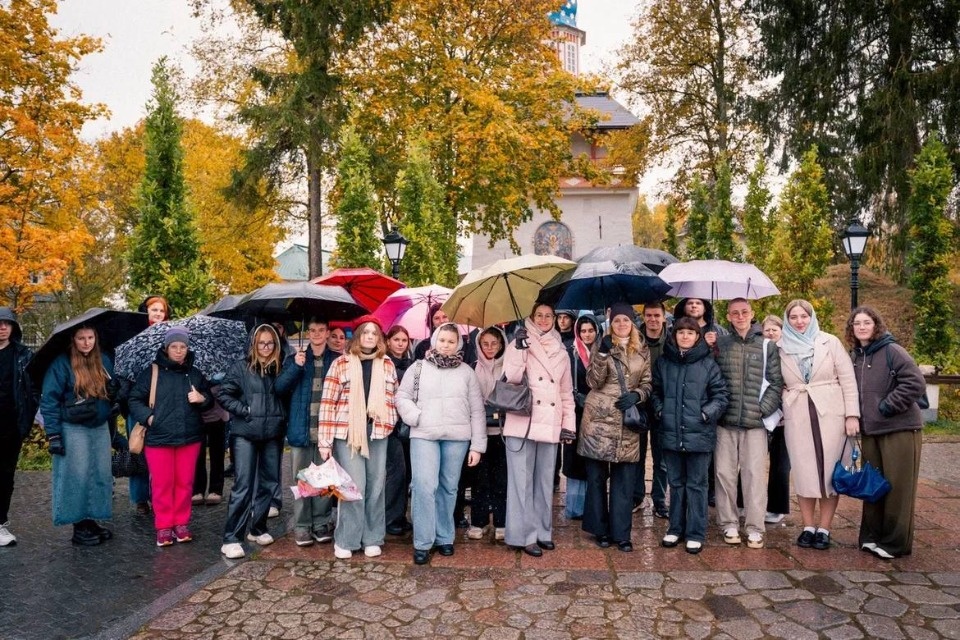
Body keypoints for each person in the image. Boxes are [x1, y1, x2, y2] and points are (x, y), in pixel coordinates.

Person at [396, 323, 486, 565]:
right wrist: (415, 416)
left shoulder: (467, 372)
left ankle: (444, 536)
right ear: (434, 340)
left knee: (449, 488)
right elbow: (402, 397)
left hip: (457, 438)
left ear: (457, 344)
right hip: (424, 434)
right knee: (424, 486)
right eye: (442, 340)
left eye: (451, 341)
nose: (446, 345)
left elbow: (477, 410)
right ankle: (423, 541)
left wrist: (477, 445)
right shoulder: (418, 367)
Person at [217, 324, 303, 559]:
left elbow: (286, 392)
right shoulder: (241, 367)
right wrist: (244, 410)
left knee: (269, 483)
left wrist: (296, 367)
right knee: (243, 485)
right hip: (245, 433)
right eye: (261, 343)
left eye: (270, 343)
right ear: (254, 344)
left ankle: (258, 527)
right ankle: (232, 537)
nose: (266, 348)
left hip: (272, 433)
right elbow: (224, 394)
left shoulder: (280, 368)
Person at [780, 299, 860, 550]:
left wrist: (852, 415)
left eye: (804, 316)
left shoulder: (829, 342)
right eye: (794, 317)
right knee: (804, 473)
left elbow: (848, 380)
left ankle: (824, 528)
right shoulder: (779, 346)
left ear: (811, 317)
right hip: (798, 411)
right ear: (787, 320)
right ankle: (807, 526)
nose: (799, 321)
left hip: (830, 411)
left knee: (829, 472)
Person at [847, 306, 925, 559]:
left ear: (876, 325)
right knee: (874, 485)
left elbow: (915, 382)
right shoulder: (857, 356)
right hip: (871, 431)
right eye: (857, 323)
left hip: (899, 428)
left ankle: (895, 543)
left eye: (866, 322)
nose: (861, 327)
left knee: (898, 489)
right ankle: (872, 536)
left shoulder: (892, 350)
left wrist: (888, 405)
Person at [318, 317, 398, 560]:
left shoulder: (387, 364)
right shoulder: (341, 364)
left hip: (377, 432)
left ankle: (372, 538)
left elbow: (393, 396)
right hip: (348, 433)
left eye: (375, 333)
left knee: (375, 487)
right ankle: (347, 539)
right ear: (358, 336)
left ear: (379, 338)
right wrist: (325, 441)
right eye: (366, 333)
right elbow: (327, 402)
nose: (370, 337)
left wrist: (390, 421)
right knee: (353, 487)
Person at [501, 303, 576, 557]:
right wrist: (519, 349)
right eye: (539, 315)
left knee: (545, 483)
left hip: (550, 423)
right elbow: (510, 378)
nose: (544, 319)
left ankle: (544, 532)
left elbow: (566, 392)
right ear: (531, 318)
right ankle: (522, 535)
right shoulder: (517, 343)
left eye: (549, 315)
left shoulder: (562, 351)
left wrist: (568, 425)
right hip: (523, 421)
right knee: (521, 482)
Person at [128, 327, 213, 546]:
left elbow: (210, 401)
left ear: (187, 348)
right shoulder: (152, 372)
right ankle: (164, 526)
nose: (178, 351)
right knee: (163, 484)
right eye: (174, 347)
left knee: (184, 483)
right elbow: (134, 399)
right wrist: (149, 418)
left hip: (189, 437)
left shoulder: (194, 374)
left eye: (182, 347)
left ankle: (181, 523)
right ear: (166, 348)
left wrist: (201, 398)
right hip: (159, 438)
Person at [578, 303, 652, 553]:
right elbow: (592, 381)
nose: (622, 324)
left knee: (624, 479)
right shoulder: (602, 344)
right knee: (597, 477)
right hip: (599, 421)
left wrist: (638, 395)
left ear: (632, 323)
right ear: (611, 323)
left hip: (626, 420)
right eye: (617, 320)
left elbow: (648, 382)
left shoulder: (642, 349)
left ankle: (621, 533)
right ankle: (600, 530)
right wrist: (600, 355)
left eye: (626, 320)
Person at [652, 317, 729, 553]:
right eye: (681, 332)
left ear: (697, 337)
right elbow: (655, 391)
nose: (685, 336)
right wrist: (660, 410)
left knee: (697, 484)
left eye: (690, 333)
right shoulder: (664, 363)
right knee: (676, 483)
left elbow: (721, 395)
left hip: (699, 434)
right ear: (674, 336)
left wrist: (706, 414)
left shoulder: (708, 364)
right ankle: (675, 528)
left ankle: (695, 532)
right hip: (671, 432)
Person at [713, 298, 783, 550]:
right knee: (724, 475)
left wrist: (761, 410)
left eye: (744, 312)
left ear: (752, 314)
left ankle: (754, 527)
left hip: (755, 423)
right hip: (726, 421)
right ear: (729, 316)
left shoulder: (766, 346)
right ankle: (729, 523)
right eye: (735, 313)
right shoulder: (720, 344)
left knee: (754, 477)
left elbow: (776, 383)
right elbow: (711, 380)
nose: (740, 316)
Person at [39, 325, 116, 546]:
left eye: (90, 337)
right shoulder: (61, 363)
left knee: (99, 474)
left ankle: (91, 520)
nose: (86, 342)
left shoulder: (104, 361)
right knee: (77, 476)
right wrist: (53, 435)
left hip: (99, 425)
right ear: (73, 340)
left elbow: (111, 392)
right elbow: (49, 400)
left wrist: (115, 395)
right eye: (81, 338)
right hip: (73, 427)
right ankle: (79, 525)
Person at [284, 317, 340, 547]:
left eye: (321, 330)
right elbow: (280, 388)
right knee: (302, 478)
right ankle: (302, 525)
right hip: (301, 428)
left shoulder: (337, 360)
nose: (316, 334)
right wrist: (296, 368)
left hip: (326, 431)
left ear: (327, 333)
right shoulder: (295, 359)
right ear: (308, 333)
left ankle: (321, 522)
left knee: (324, 479)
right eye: (313, 330)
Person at [129, 295, 172, 515]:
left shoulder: (170, 336)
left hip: (163, 403)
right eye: (153, 310)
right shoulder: (134, 336)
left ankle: (159, 495)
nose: (157, 314)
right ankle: (140, 498)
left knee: (162, 455)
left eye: (161, 310)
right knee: (138, 450)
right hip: (138, 401)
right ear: (145, 311)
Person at [0, 308, 39, 546]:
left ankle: (0, 523)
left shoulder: (23, 355)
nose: (2, 327)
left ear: (13, 327)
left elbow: (33, 389)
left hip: (10, 425)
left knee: (5, 476)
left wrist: (27, 417)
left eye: (7, 323)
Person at [468, 326, 509, 540]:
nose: (490, 347)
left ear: (501, 344)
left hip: (503, 431)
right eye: (485, 344)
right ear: (479, 345)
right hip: (479, 431)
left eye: (494, 343)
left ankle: (502, 521)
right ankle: (479, 520)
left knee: (502, 478)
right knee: (479, 479)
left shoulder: (509, 367)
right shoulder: (473, 367)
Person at [635, 302, 670, 519]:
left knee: (662, 459)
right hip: (639, 405)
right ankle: (637, 496)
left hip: (663, 405)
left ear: (664, 317)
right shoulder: (635, 341)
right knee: (636, 455)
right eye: (649, 315)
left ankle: (659, 500)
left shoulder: (672, 342)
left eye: (657, 315)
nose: (653, 319)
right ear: (644, 317)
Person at [563, 315, 600, 520]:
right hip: (576, 412)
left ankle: (592, 506)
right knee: (574, 458)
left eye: (590, 330)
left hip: (596, 413)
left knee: (593, 459)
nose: (587, 334)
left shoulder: (603, 351)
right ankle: (575, 506)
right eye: (583, 331)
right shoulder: (570, 351)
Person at [760, 315, 791, 524]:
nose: (771, 333)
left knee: (780, 465)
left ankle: (777, 507)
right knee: (751, 461)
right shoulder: (760, 351)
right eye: (767, 330)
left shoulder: (789, 353)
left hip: (785, 416)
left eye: (775, 330)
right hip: (762, 413)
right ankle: (743, 501)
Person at [384, 325, 414, 536]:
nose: (400, 344)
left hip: (409, 425)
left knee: (407, 473)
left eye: (404, 340)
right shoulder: (384, 364)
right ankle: (391, 517)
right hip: (391, 426)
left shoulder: (413, 365)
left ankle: (400, 515)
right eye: (396, 339)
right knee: (397, 472)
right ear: (388, 341)